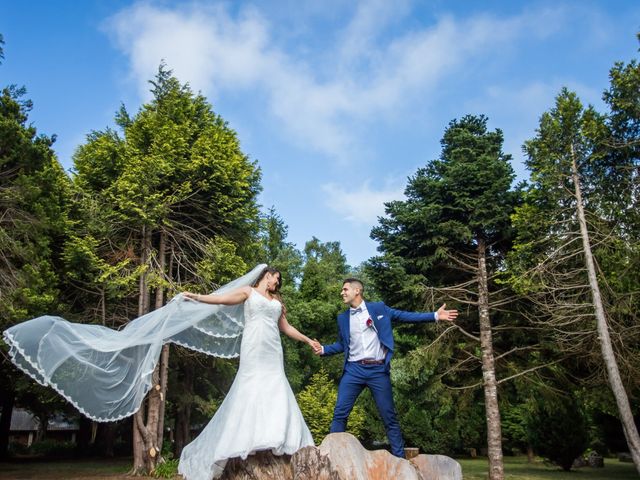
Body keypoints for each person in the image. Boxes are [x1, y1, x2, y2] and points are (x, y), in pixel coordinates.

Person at [178, 267, 315, 480]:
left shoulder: (277, 300)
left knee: (276, 385)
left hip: (273, 349)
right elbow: (222, 299)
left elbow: (286, 328)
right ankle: (246, 441)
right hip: (253, 346)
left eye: (278, 282)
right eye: (275, 279)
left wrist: (308, 340)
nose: (276, 284)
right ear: (266, 275)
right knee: (250, 386)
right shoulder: (248, 292)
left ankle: (276, 436)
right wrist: (196, 297)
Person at [311, 278, 458, 458]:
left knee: (389, 417)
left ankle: (400, 460)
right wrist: (324, 349)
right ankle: (332, 457)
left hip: (377, 371)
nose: (342, 293)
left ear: (357, 291)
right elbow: (343, 345)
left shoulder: (379, 309)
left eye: (345, 289)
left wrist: (434, 316)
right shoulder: (343, 318)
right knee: (340, 414)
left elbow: (405, 316)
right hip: (353, 371)